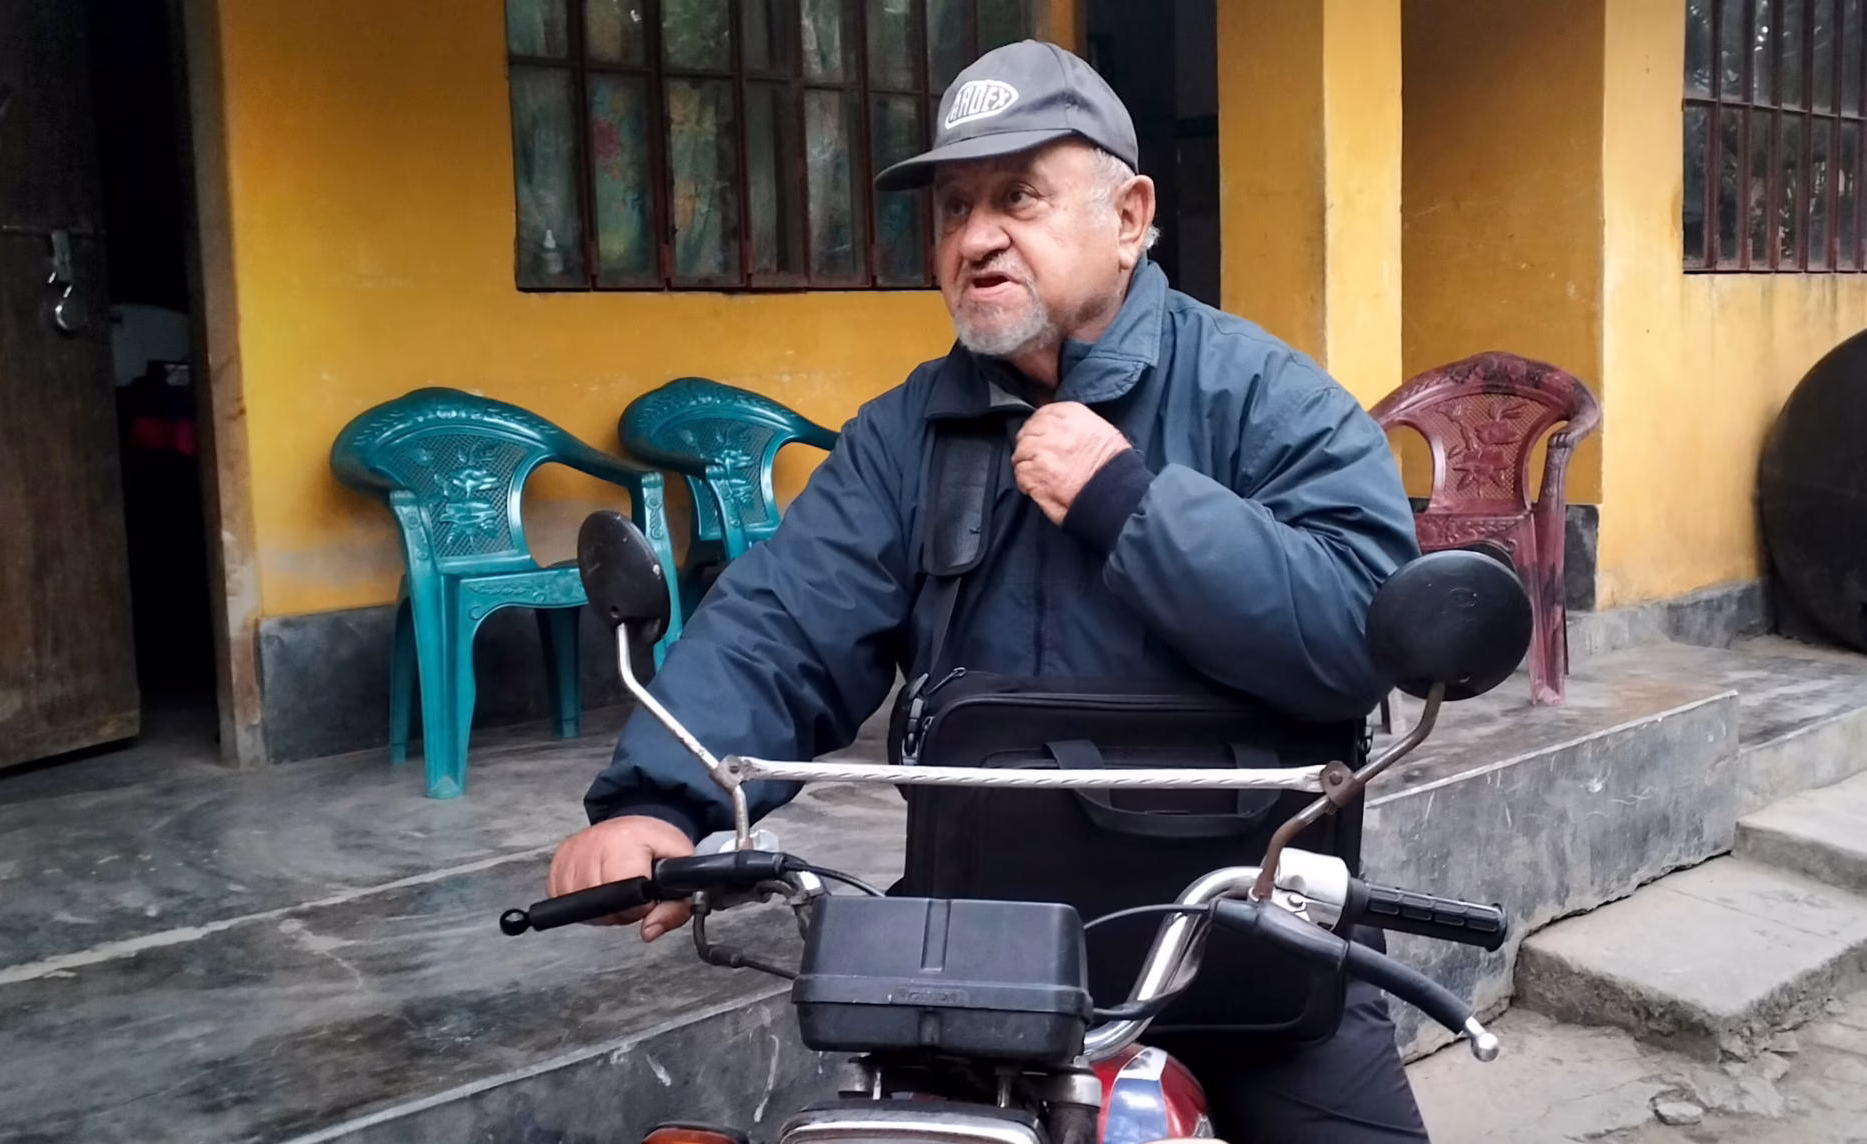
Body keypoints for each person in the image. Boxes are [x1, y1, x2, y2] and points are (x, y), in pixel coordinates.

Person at [548, 40, 1428, 1141]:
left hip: (1252, 936)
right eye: (954, 207)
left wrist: (1124, 502)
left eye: (1017, 196)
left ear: (1129, 215)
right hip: (978, 945)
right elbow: (787, 620)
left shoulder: (1265, 396)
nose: (973, 238)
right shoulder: (904, 434)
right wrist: (658, 800)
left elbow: (1363, 625)